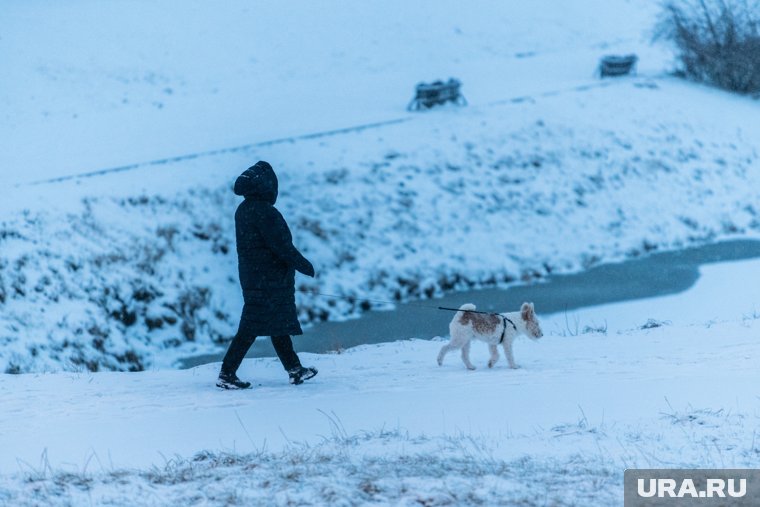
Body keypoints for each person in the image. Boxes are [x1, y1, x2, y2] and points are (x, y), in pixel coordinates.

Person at [217, 161, 318, 389]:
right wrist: (303, 265)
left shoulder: (244, 210)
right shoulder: (265, 212)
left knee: (276, 324)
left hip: (255, 278)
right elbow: (281, 246)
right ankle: (226, 373)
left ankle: (295, 369)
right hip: (269, 281)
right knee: (252, 327)